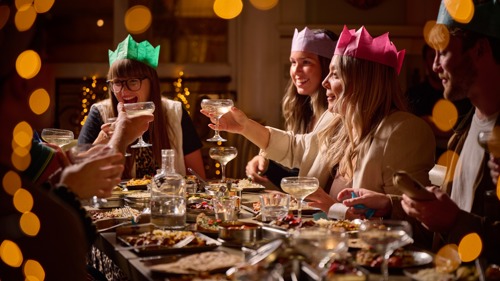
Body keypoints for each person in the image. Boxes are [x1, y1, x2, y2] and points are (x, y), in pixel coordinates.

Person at [202, 26, 436, 224]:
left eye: (334, 75)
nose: (324, 82)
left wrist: (333, 207)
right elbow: (296, 148)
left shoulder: (404, 131)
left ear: (361, 83)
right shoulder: (337, 120)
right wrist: (244, 126)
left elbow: (412, 221)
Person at [340, 0, 500, 265]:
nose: (435, 65)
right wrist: (391, 205)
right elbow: (446, 221)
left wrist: (453, 221)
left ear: (479, 50)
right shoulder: (465, 128)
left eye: (443, 52)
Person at [78, 34, 206, 180]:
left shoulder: (175, 112)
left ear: (151, 83)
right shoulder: (100, 113)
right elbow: (79, 176)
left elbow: (198, 178)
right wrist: (102, 141)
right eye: (118, 83)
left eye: (133, 81)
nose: (124, 91)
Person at [245, 27, 337, 188]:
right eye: (293, 62)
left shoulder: (337, 116)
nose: (296, 71)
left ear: (328, 67)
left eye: (306, 62)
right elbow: (299, 176)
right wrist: (266, 165)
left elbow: (313, 184)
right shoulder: (303, 110)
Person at [406, 44, 472, 159]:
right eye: (432, 56)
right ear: (425, 62)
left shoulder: (462, 96)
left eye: (442, 54)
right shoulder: (413, 95)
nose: (437, 65)